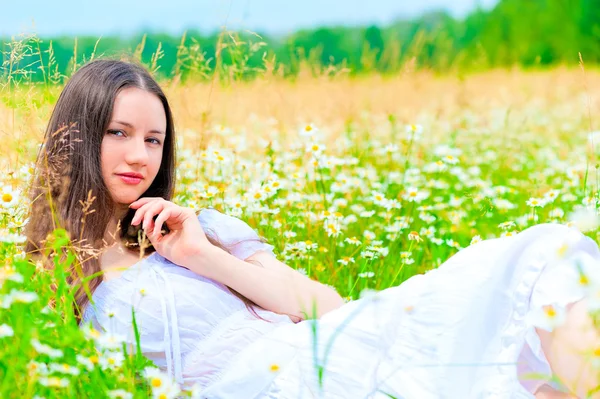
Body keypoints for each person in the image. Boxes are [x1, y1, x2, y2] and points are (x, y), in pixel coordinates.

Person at [23, 58, 600, 399]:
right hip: (247, 387)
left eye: (153, 139)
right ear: (78, 134)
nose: (140, 155)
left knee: (542, 260)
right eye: (119, 133)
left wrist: (201, 255)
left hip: (312, 353)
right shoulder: (48, 278)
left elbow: (329, 304)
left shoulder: (197, 229)